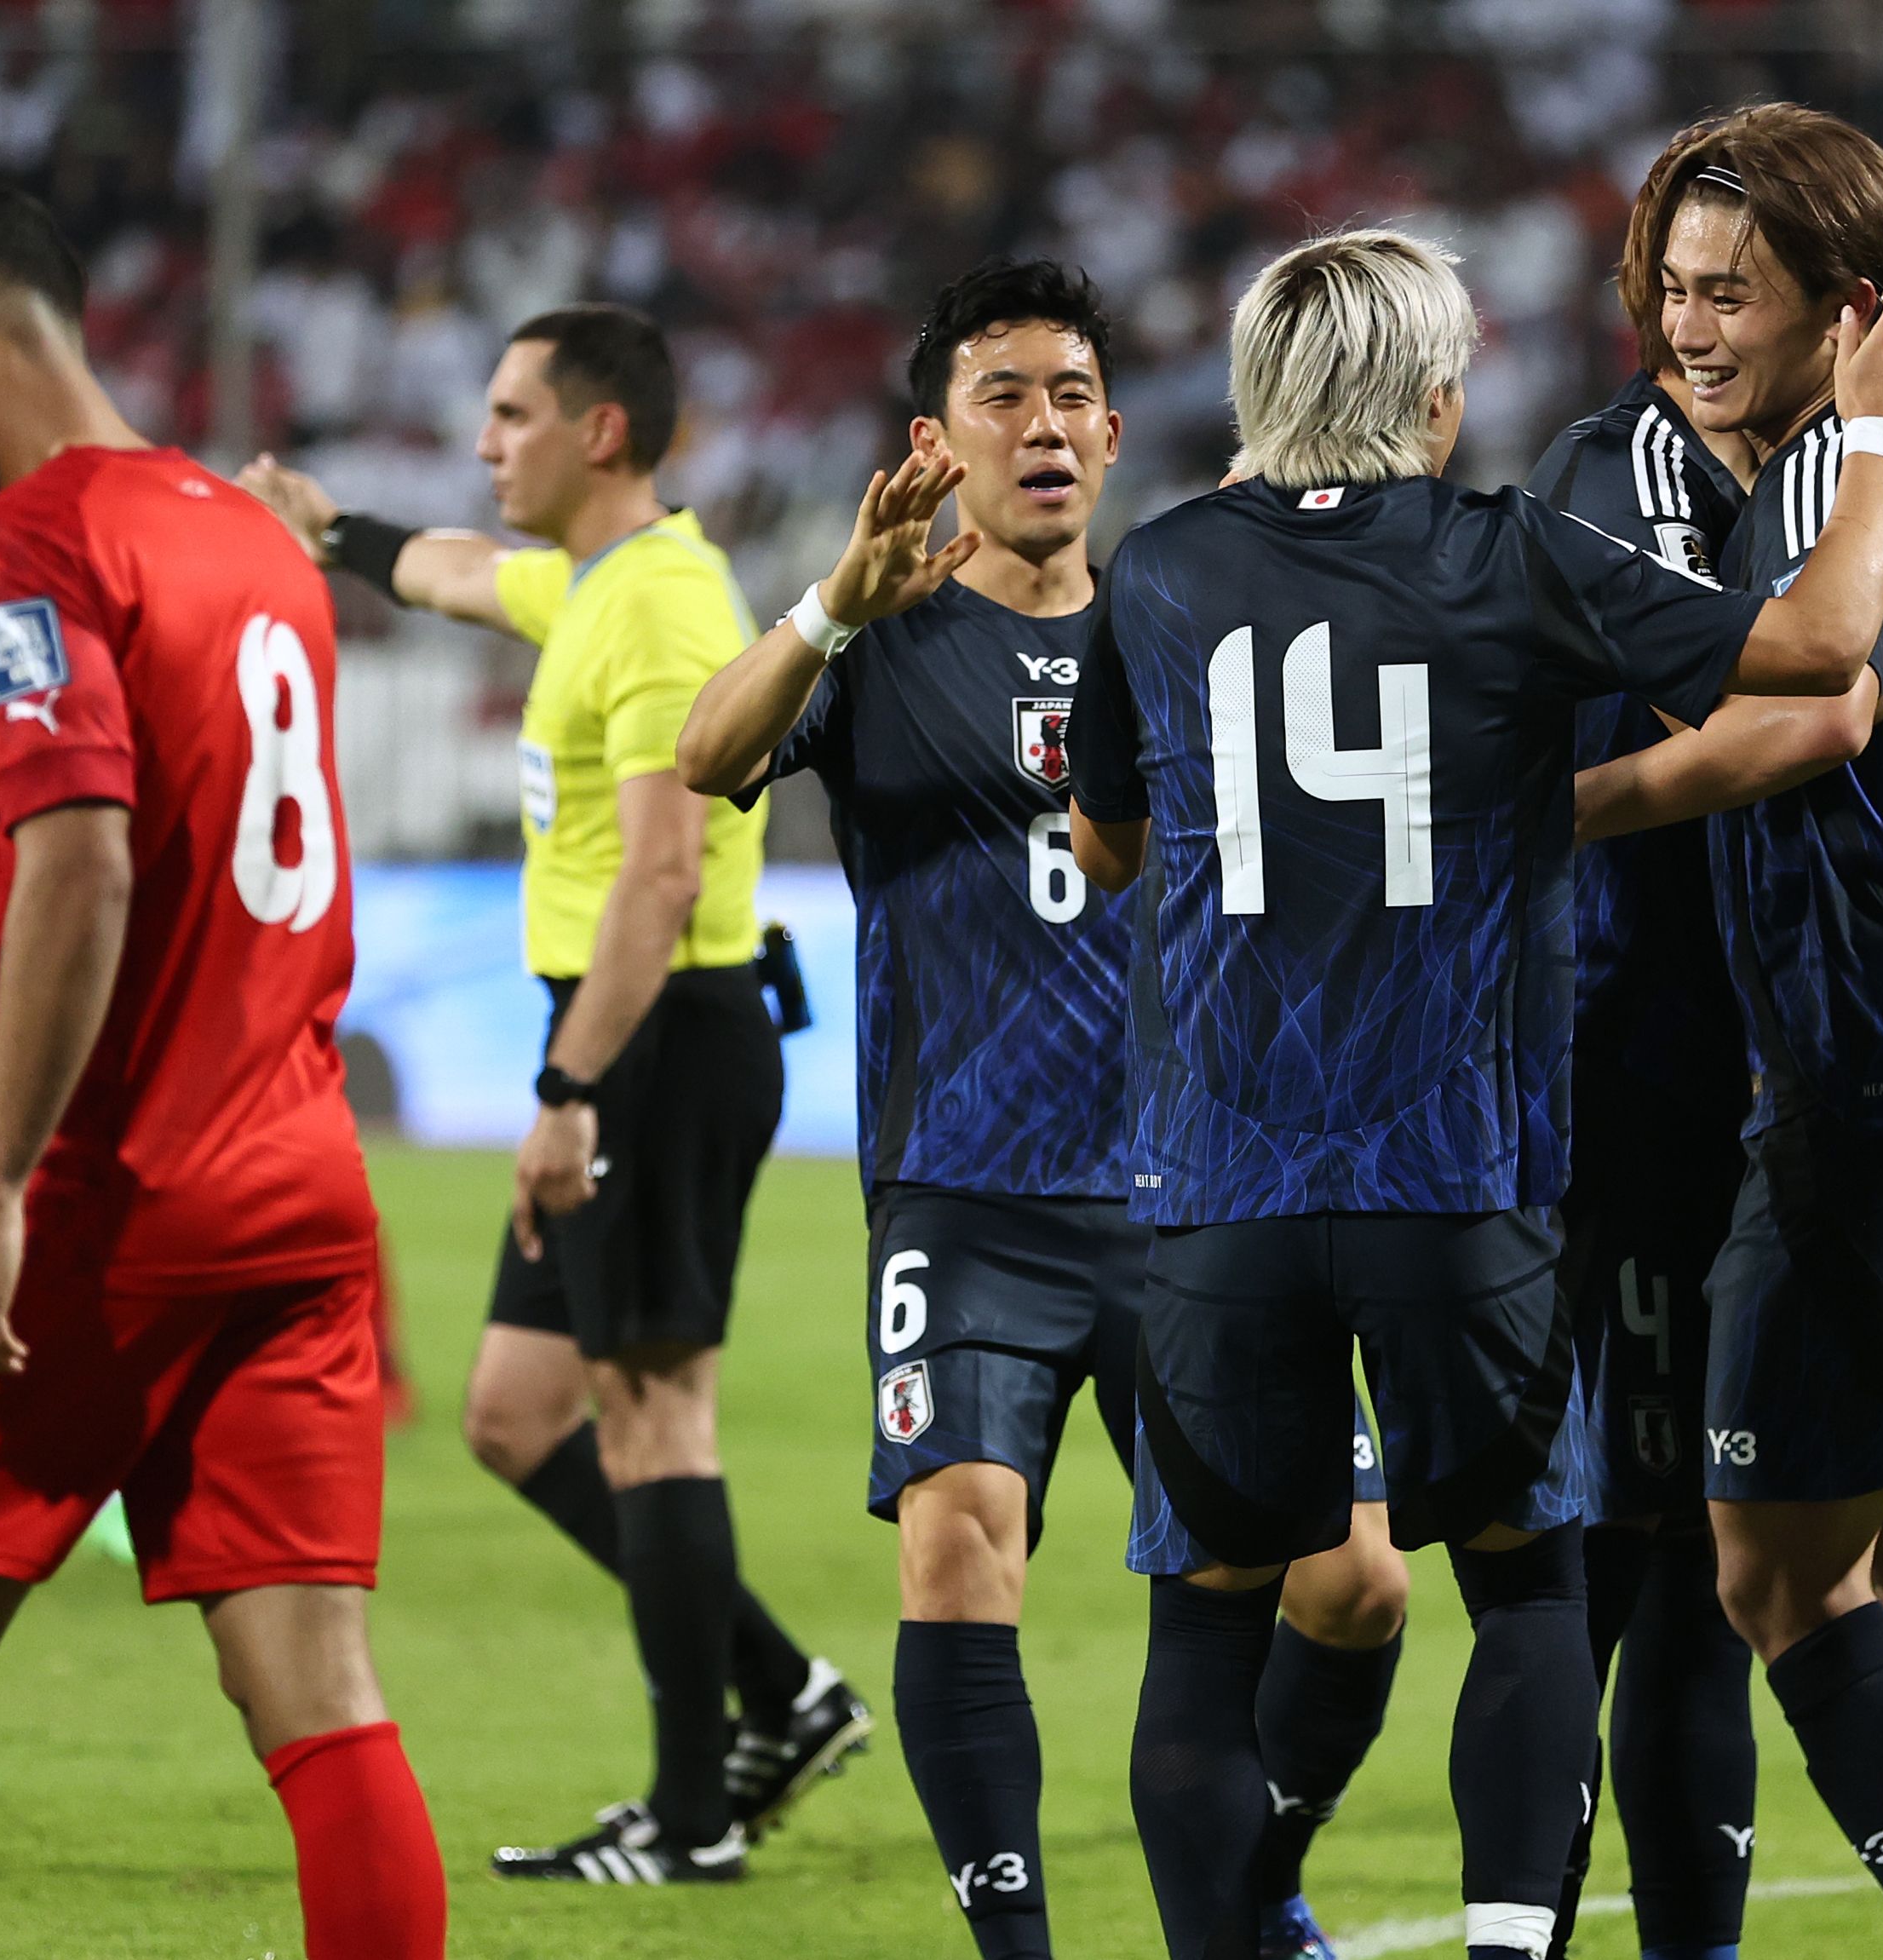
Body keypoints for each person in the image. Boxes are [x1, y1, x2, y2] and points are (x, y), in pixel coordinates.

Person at [1064, 227, 1883, 1960]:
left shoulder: (1160, 571)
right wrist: (1872, 436)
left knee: (1202, 1633)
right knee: (1528, 1586)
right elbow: (1806, 647)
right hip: (1454, 1176)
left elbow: (1107, 845)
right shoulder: (1504, 553)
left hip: (1214, 1193)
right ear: (1427, 392)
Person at [0, 181, 439, 1960]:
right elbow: (169, 924)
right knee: (318, 1692)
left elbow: (85, 870)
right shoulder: (250, 539)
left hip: (105, 1216)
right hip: (297, 1201)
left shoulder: (21, 547)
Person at [676, 259, 1414, 1960]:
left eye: (1072, 392)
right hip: (967, 1190)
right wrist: (828, 607)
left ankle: (1254, 1873)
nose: (1045, 424)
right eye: (1002, 395)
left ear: (1112, 426)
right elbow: (706, 761)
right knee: (959, 1549)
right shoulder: (881, 638)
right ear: (934, 437)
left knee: (1354, 1579)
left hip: (1200, 1197)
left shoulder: (1187, 621)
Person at [238, 302, 858, 1884]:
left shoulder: (659, 610)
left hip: (652, 1038)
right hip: (617, 1035)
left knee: (656, 1418)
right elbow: (451, 569)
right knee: (521, 1417)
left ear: (599, 434)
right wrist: (329, 531)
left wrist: (571, 1086)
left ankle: (694, 1818)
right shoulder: (593, 585)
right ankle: (781, 1692)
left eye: (510, 414)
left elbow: (660, 875)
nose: (481, 439)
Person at [1570, 106, 1883, 1960]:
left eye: (1732, 293)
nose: (1688, 328)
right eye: (1671, 288)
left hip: (1859, 1093)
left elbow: (1804, 685)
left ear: (1843, 312)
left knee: (1766, 1577)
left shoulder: (1831, 482)